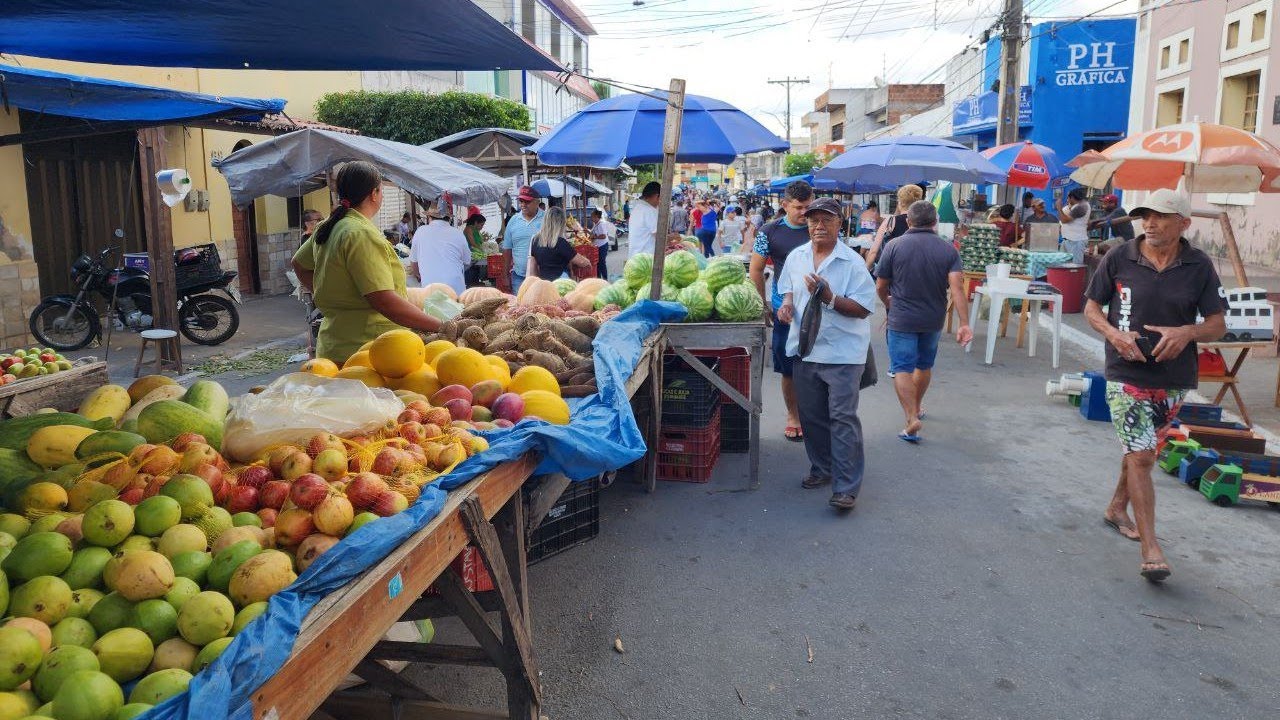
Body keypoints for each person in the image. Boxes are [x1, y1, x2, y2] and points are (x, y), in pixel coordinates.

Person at [1082, 189, 1228, 583]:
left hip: (1173, 378)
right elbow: (1091, 307)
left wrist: (1187, 332)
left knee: (1141, 450)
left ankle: (1117, 507)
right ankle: (1152, 550)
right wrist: (1114, 335)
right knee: (1144, 456)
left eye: (1161, 216)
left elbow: (1217, 323)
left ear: (1184, 223)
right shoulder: (1120, 256)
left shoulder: (1199, 265)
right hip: (1125, 373)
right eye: (1145, 215)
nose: (1150, 223)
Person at [776, 198, 877, 512]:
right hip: (806, 350)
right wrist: (786, 306)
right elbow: (788, 289)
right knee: (812, 416)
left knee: (842, 418)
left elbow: (863, 308)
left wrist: (831, 298)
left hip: (843, 353)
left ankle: (846, 487)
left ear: (839, 224)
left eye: (827, 220)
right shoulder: (797, 257)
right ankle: (822, 468)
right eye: (814, 220)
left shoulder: (852, 263)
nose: (819, 226)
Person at [290, 160, 441, 364]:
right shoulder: (360, 233)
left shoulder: (330, 225)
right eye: (381, 190)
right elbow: (384, 301)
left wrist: (332, 294)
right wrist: (440, 326)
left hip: (335, 347)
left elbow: (298, 264)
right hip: (370, 352)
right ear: (374, 193)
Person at [874, 200, 974, 443]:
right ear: (935, 222)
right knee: (924, 365)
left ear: (908, 221)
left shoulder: (894, 246)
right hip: (933, 318)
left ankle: (911, 418)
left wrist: (887, 301)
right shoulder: (948, 250)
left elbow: (880, 285)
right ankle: (917, 406)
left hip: (901, 317)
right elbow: (957, 289)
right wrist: (964, 323)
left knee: (902, 368)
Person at [750, 180, 813, 442]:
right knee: (788, 369)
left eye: (808, 206)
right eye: (799, 207)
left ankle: (814, 416)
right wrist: (763, 305)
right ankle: (793, 416)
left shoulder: (818, 226)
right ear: (785, 205)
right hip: (784, 310)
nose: (804, 212)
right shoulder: (769, 231)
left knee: (816, 366)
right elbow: (756, 269)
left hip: (817, 309)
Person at [409, 203, 471, 295]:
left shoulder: (420, 231)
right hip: (455, 288)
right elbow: (467, 262)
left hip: (430, 288)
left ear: (429, 217)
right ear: (449, 218)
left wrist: (419, 275)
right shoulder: (458, 233)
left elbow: (414, 263)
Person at [865, 184, 925, 269]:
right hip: (916, 269)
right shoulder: (924, 222)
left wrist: (866, 270)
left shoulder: (890, 221)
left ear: (900, 202)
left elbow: (873, 252)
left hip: (892, 270)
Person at [528, 207, 592, 281]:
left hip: (545, 282)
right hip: (561, 282)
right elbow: (581, 261)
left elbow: (532, 269)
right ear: (560, 223)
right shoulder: (560, 242)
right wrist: (588, 262)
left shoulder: (535, 240)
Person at [503, 186, 544, 291]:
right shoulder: (513, 220)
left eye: (527, 201)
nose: (523, 205)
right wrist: (505, 275)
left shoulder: (547, 219)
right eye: (521, 201)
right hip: (519, 277)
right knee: (520, 301)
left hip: (543, 277)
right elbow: (507, 249)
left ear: (537, 202)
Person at [629, 181, 675, 257]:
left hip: (635, 256)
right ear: (657, 196)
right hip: (646, 258)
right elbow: (660, 237)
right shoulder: (649, 210)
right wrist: (673, 237)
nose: (660, 202)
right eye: (662, 198)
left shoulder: (638, 208)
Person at [1058, 187, 1091, 263]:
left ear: (1072, 197)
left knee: (1075, 265)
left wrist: (1059, 207)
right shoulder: (1080, 205)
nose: (1067, 200)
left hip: (1076, 241)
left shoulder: (1081, 206)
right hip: (1069, 239)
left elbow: (1064, 220)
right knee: (1063, 264)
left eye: (1068, 198)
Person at [590, 209, 616, 279]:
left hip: (602, 246)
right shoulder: (596, 224)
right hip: (598, 246)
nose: (591, 218)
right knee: (598, 264)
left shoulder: (601, 224)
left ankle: (605, 278)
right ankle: (599, 279)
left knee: (602, 263)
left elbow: (604, 236)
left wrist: (595, 237)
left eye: (592, 216)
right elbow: (594, 233)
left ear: (596, 216)